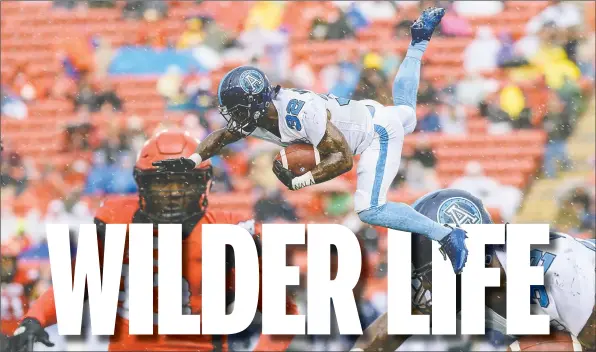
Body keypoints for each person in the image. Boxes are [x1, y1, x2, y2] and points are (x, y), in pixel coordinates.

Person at [171, 7, 469, 275]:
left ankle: (446, 235)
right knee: (407, 112)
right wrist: (192, 160)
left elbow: (343, 160)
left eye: (237, 110)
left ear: (255, 105)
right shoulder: (261, 116)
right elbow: (221, 136)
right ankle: (418, 42)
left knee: (370, 208)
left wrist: (300, 182)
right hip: (365, 113)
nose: (233, 118)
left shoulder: (301, 113)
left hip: (374, 134)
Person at [7, 130, 298, 352]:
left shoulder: (228, 234)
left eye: (182, 183)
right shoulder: (117, 222)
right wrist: (33, 319)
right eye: (162, 183)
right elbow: (75, 286)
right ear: (142, 184)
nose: (172, 193)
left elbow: (283, 314)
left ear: (204, 183)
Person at [351, 188, 596, 352]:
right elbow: (389, 331)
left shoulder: (562, 273)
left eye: (433, 275)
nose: (428, 287)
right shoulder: (469, 275)